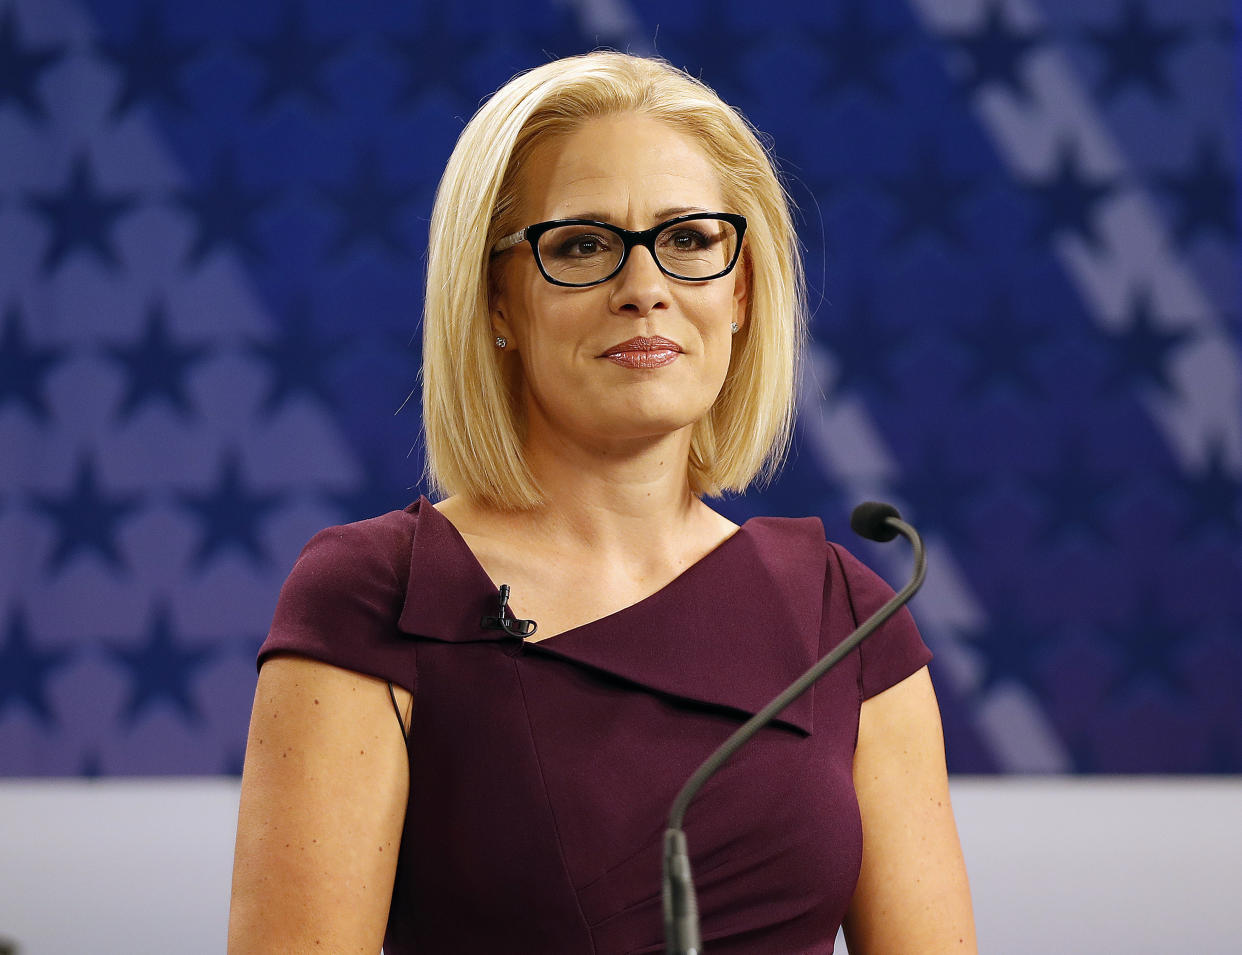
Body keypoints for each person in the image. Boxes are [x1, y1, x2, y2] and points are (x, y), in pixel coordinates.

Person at [227, 52, 976, 954]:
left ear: (741, 291)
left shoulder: (846, 613)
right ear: (497, 298)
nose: (645, 288)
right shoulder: (376, 593)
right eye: (582, 244)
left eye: (691, 240)